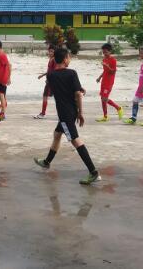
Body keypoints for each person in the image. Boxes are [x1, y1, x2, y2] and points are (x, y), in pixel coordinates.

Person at [33, 47, 101, 185]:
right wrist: (80, 112)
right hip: (69, 112)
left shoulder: (51, 76)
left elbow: (61, 89)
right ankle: (46, 162)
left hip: (64, 113)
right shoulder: (72, 73)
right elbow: (77, 93)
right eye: (69, 57)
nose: (70, 59)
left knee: (75, 140)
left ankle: (93, 172)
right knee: (57, 134)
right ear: (65, 59)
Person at [95, 43, 124, 122]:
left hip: (109, 82)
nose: (104, 54)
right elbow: (105, 70)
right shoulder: (104, 59)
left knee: (104, 98)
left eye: (106, 52)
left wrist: (107, 66)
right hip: (104, 81)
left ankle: (118, 108)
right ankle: (105, 116)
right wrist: (99, 77)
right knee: (102, 98)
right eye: (103, 52)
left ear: (110, 51)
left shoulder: (113, 60)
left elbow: (113, 72)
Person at [34, 45, 57, 120]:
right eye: (49, 51)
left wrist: (49, 78)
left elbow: (54, 71)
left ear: (55, 52)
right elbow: (49, 71)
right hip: (50, 81)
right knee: (55, 97)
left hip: (52, 82)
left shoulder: (54, 60)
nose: (50, 53)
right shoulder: (51, 59)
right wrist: (43, 75)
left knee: (45, 96)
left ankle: (43, 113)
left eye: (52, 51)